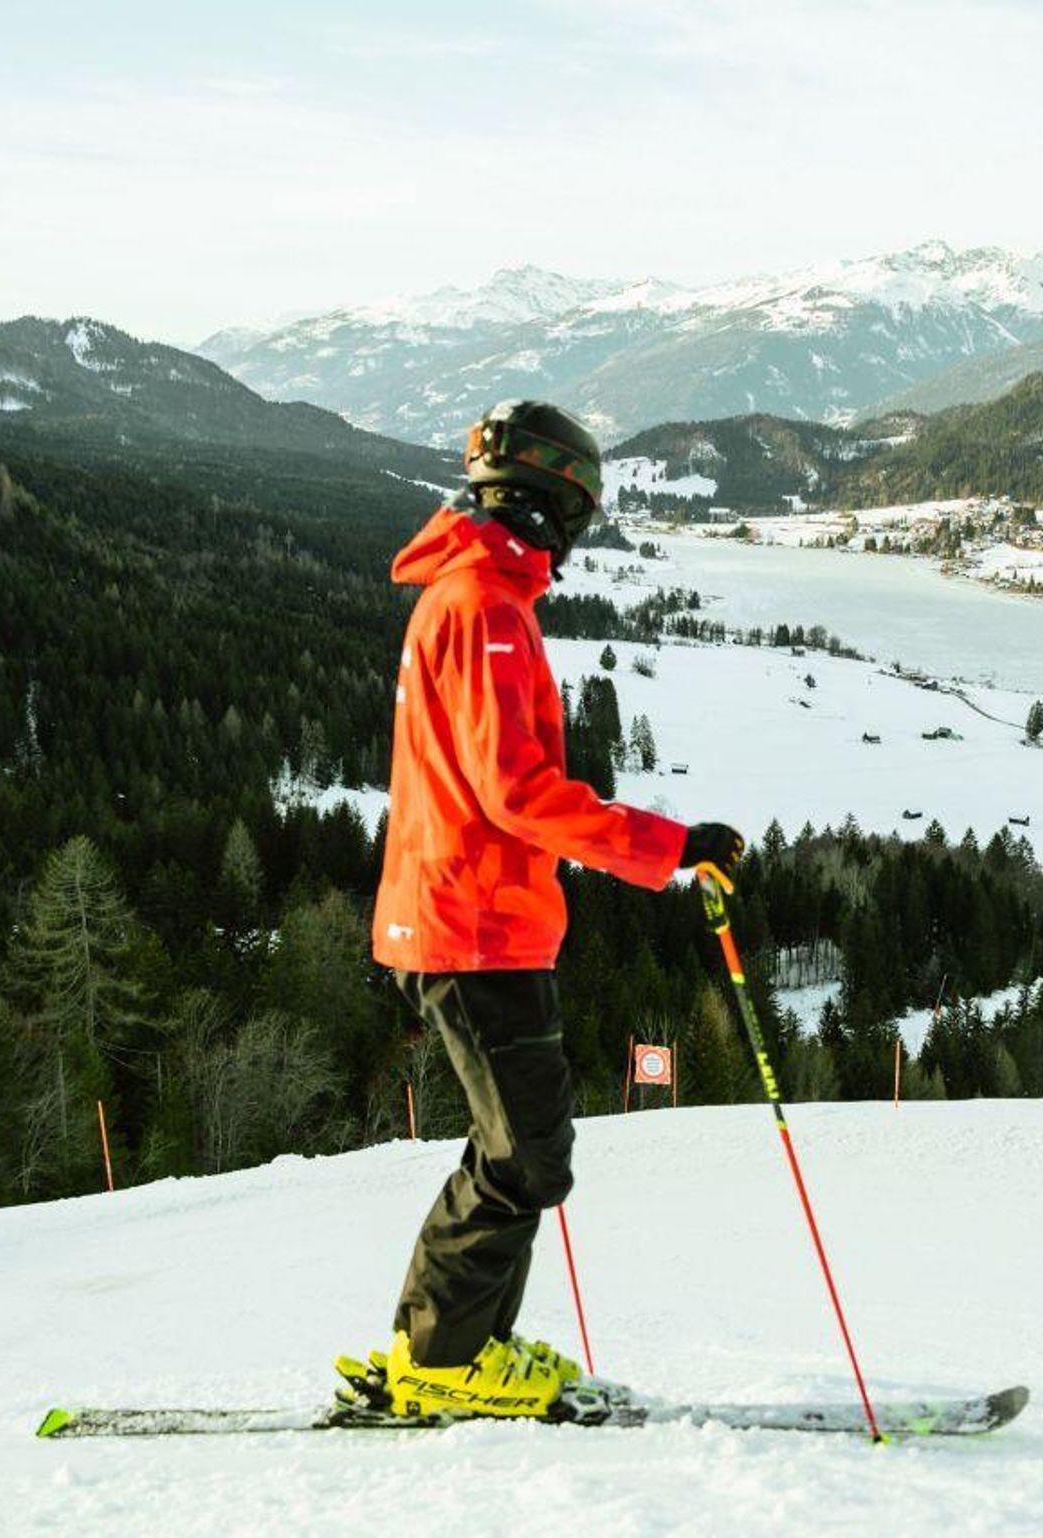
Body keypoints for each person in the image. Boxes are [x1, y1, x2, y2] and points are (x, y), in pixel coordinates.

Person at [363, 399, 744, 1418]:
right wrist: (670, 846)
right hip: (471, 924)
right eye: (580, 510)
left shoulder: (472, 593)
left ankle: (452, 1343)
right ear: (553, 502)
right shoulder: (484, 606)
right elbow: (517, 792)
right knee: (525, 1157)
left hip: (474, 917)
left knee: (517, 1149)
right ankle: (443, 1360)